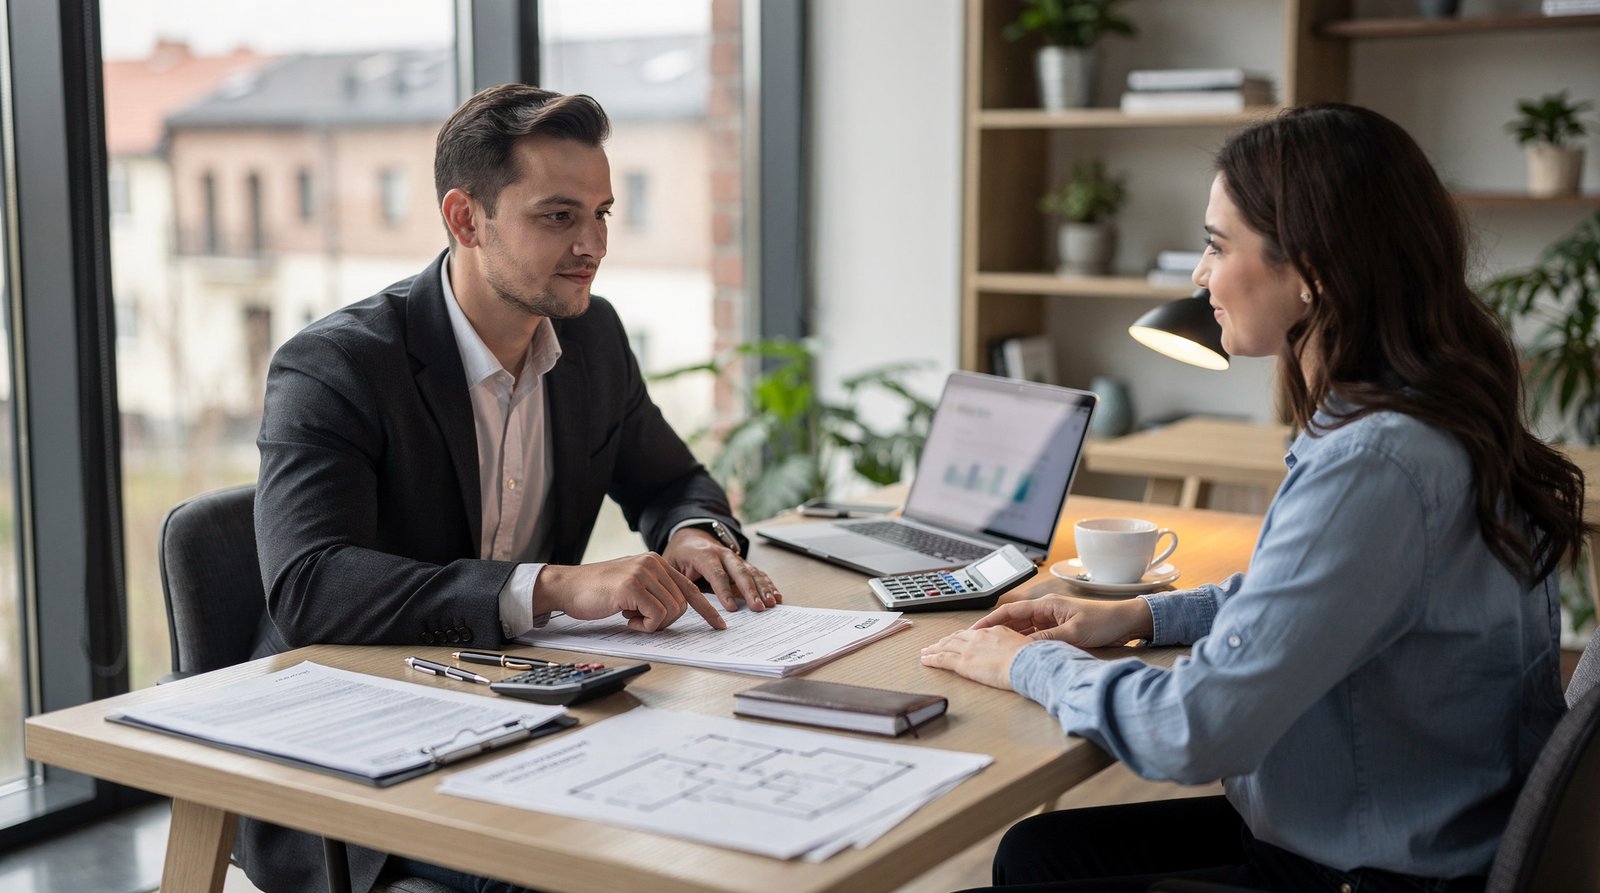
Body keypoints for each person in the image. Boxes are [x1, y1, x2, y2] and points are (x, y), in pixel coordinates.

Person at [921, 103, 1591, 892]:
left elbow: (1193, 731)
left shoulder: (1377, 460)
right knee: (1036, 855)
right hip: (1412, 827)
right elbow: (1320, 597)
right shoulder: (1434, 413)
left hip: (1376, 871)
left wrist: (1031, 662)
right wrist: (1142, 614)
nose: (1200, 276)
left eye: (1215, 244)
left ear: (1310, 269)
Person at [245, 84, 783, 893]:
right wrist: (557, 585)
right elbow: (311, 585)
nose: (593, 244)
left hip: (527, 711)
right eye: (558, 217)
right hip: (358, 744)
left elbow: (671, 479)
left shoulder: (591, 336)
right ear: (466, 219)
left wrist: (693, 534)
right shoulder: (336, 366)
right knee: (591, 873)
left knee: (731, 819)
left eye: (601, 213)